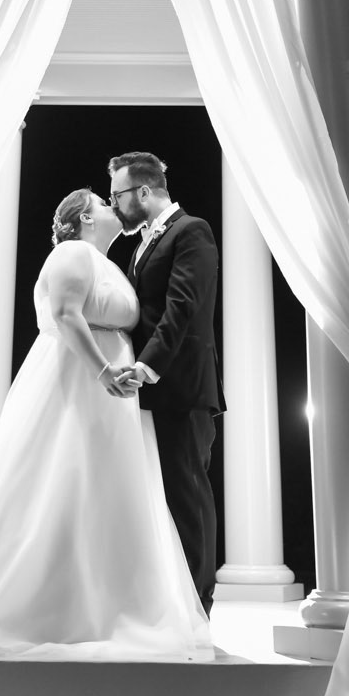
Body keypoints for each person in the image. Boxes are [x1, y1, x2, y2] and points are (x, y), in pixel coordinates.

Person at [0, 187, 214, 659]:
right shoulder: (72, 252)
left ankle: (111, 600)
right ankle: (51, 603)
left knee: (104, 494)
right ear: (86, 219)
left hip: (112, 397)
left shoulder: (112, 263)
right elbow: (65, 314)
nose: (114, 208)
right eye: (104, 203)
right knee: (65, 482)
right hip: (80, 381)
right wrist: (103, 370)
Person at [106, 151, 223, 613]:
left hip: (182, 387)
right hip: (152, 391)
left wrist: (147, 366)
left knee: (188, 494)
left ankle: (199, 604)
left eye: (118, 195)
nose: (115, 205)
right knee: (162, 498)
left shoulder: (191, 231)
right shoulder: (140, 244)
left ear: (145, 192)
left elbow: (183, 307)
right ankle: (168, 601)